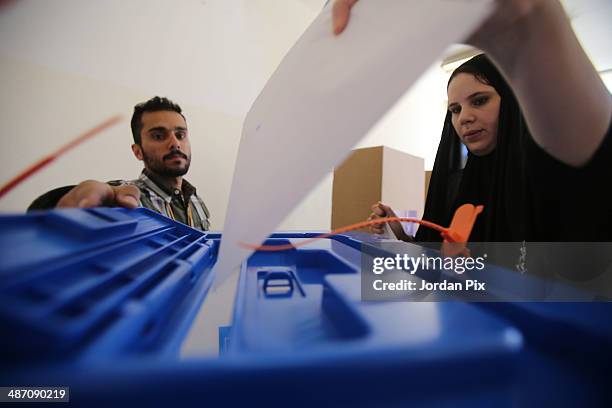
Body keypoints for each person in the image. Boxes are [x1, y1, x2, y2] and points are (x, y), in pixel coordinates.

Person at [332, 0, 612, 241]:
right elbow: (437, 260)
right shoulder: (458, 188)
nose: (464, 118)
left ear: (512, 103)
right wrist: (400, 234)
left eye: (479, 100)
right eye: (454, 109)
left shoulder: (547, 174)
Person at [29, 96, 211, 231]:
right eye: (158, 136)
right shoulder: (125, 199)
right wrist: (67, 202)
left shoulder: (197, 201)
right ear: (137, 151)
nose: (175, 143)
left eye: (180, 135)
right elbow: (102, 196)